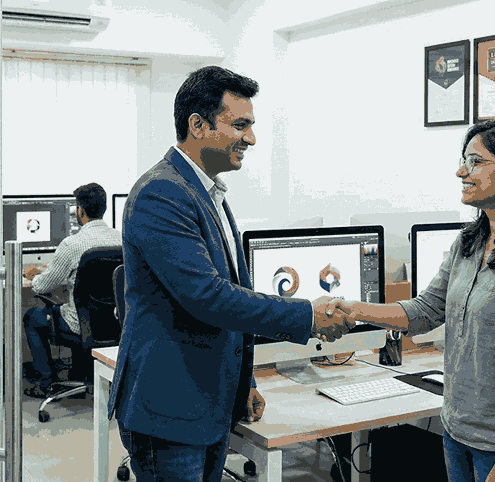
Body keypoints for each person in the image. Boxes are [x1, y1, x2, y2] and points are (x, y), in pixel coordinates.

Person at [107, 66, 354, 482]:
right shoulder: (161, 193)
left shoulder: (207, 191)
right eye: (240, 125)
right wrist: (309, 315)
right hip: (170, 405)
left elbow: (231, 293)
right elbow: (208, 296)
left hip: (207, 399)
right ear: (198, 125)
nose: (251, 139)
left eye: (252, 126)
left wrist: (244, 384)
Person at [332, 119, 495, 482]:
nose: (461, 171)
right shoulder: (470, 241)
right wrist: (354, 309)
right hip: (459, 433)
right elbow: (424, 312)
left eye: (476, 161)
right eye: (465, 159)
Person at [21, 182, 122, 398]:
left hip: (79, 325)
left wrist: (34, 275)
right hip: (113, 323)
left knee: (32, 317)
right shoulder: (120, 239)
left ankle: (45, 382)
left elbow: (41, 286)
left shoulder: (72, 244)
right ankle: (81, 375)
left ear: (80, 211)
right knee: (79, 309)